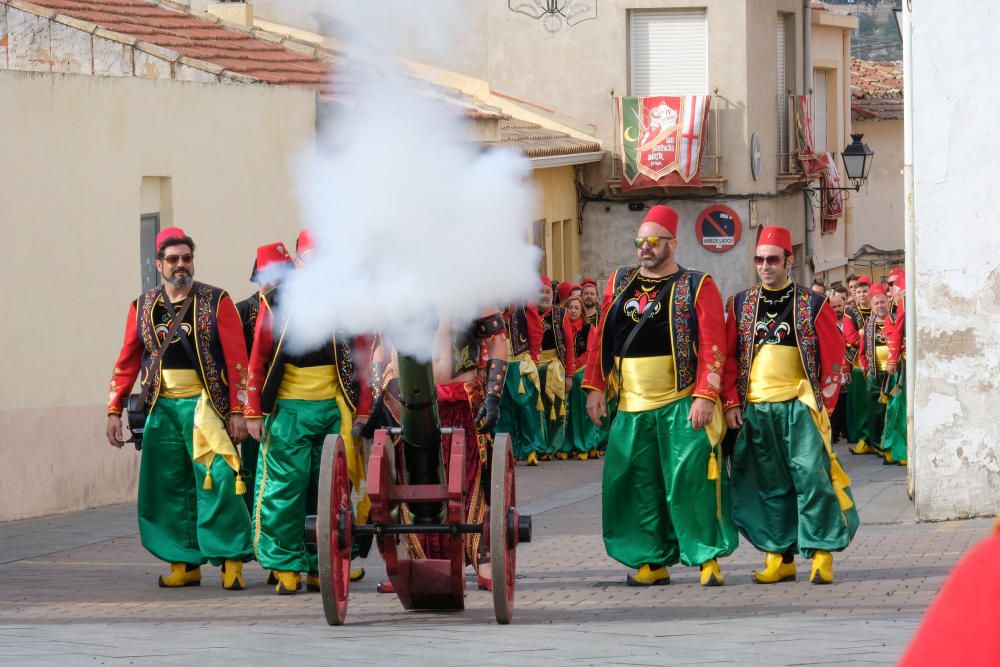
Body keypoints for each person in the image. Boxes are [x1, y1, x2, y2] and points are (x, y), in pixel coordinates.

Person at [584, 204, 737, 587]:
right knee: (636, 481)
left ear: (672, 243)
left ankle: (706, 559)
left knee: (691, 481)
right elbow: (600, 336)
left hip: (681, 400)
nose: (644, 248)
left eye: (652, 241)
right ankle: (651, 560)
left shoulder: (697, 285)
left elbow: (714, 345)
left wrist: (706, 395)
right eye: (640, 241)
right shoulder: (619, 282)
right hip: (632, 404)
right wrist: (595, 386)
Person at [106, 227, 253, 589]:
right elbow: (127, 361)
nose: (180, 265)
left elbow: (238, 361)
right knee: (167, 486)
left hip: (206, 407)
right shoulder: (141, 306)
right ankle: (183, 562)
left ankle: (231, 560)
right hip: (162, 408)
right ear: (159, 264)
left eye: (186, 257)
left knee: (219, 481)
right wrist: (113, 410)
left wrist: (238, 410)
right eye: (172, 259)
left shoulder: (217, 301)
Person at [723, 225, 857, 585]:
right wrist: (731, 402)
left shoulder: (813, 303)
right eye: (759, 259)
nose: (765, 266)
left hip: (800, 406)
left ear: (789, 260)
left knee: (812, 477)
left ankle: (822, 552)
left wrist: (824, 405)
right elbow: (730, 358)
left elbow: (833, 354)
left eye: (772, 259)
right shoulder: (739, 303)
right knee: (767, 483)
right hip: (757, 409)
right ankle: (777, 556)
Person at [235, 243, 290, 515]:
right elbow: (236, 362)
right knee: (253, 467)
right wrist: (243, 408)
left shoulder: (292, 310)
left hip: (287, 401)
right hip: (253, 403)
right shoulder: (243, 311)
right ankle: (253, 523)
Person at [496, 300, 547, 465]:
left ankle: (531, 448)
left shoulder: (525, 302)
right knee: (501, 408)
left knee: (525, 406)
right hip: (498, 362)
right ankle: (507, 449)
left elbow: (535, 331)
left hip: (519, 362)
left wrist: (532, 358)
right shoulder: (489, 302)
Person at [537, 277, 575, 459]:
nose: (544, 296)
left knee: (556, 407)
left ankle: (552, 447)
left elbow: (569, 346)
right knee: (536, 409)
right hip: (533, 367)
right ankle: (538, 445)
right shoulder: (525, 314)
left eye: (547, 292)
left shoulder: (561, 314)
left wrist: (569, 375)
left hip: (555, 367)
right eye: (540, 292)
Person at [557, 294, 593, 461]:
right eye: (570, 307)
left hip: (581, 372)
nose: (572, 310)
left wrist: (574, 365)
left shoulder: (588, 328)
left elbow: (590, 352)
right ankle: (567, 444)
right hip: (562, 370)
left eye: (576, 308)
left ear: (582, 311)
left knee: (580, 410)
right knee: (565, 412)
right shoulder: (560, 327)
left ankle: (583, 444)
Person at [858, 284, 892, 456]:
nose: (880, 306)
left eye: (882, 302)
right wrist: (865, 368)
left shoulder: (895, 321)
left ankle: (891, 444)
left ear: (888, 302)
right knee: (874, 411)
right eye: (876, 303)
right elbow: (862, 351)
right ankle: (877, 444)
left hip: (893, 373)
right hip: (874, 373)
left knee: (892, 410)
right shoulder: (868, 325)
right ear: (872, 306)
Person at [843, 276, 876, 454]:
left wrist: (865, 334)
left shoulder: (876, 309)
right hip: (858, 364)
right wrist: (867, 337)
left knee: (877, 403)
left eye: (865, 291)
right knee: (861, 403)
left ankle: (877, 439)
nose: (862, 294)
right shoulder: (850, 313)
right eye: (858, 291)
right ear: (854, 294)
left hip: (878, 363)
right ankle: (864, 438)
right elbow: (851, 337)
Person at [882, 268, 907, 465]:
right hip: (901, 365)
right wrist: (892, 360)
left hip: (903, 362)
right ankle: (897, 449)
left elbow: (898, 332)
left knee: (899, 407)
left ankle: (897, 449)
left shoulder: (903, 300)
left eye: (892, 284)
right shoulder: (898, 305)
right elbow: (895, 333)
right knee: (897, 406)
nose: (890, 290)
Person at [827, 291, 849, 443]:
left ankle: (848, 431)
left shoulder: (850, 321)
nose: (837, 309)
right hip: (834, 367)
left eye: (839, 306)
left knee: (847, 402)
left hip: (848, 366)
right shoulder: (827, 324)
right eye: (833, 306)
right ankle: (834, 433)